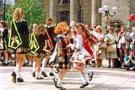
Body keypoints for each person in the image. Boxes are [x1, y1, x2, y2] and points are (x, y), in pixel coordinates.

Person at [8, 8, 30, 83]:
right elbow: (26, 33)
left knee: (18, 59)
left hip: (16, 43)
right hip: (22, 43)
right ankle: (14, 72)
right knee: (22, 59)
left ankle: (19, 76)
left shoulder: (13, 22)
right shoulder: (24, 22)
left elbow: (12, 33)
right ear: (22, 14)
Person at [70, 23, 94, 88]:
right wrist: (73, 25)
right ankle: (85, 81)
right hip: (79, 52)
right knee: (80, 67)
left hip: (79, 52)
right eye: (76, 28)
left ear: (81, 29)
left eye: (78, 28)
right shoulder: (81, 35)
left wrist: (72, 45)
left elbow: (78, 46)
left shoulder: (80, 35)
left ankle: (89, 73)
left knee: (75, 66)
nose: (76, 29)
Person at [52, 22, 70, 90]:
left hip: (63, 54)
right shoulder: (60, 37)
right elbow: (60, 46)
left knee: (65, 69)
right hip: (62, 55)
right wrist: (60, 55)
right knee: (64, 69)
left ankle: (57, 78)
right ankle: (59, 83)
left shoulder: (61, 37)